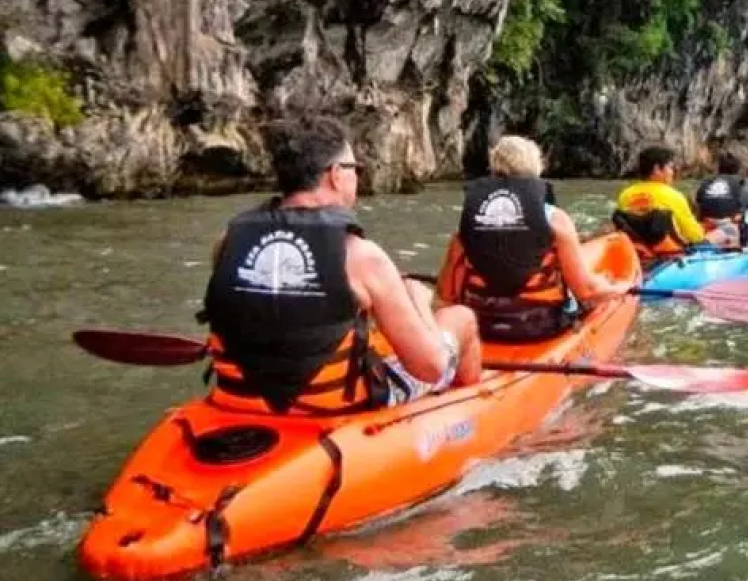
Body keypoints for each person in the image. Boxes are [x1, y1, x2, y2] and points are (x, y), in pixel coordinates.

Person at [201, 116, 482, 415]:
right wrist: (417, 302)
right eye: (354, 169)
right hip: (326, 409)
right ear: (336, 174)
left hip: (237, 403)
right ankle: (474, 412)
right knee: (461, 318)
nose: (357, 177)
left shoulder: (229, 240)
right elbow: (430, 368)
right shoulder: (362, 256)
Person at [436, 135, 636, 342]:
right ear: (536, 168)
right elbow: (586, 291)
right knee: (597, 298)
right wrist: (619, 288)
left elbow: (446, 294)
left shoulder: (470, 220)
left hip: (481, 326)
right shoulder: (555, 219)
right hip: (540, 327)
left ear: (494, 168)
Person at [613, 144, 733, 260]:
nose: (672, 172)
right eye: (670, 167)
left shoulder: (625, 195)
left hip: (640, 250)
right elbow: (695, 236)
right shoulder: (673, 196)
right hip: (672, 253)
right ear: (657, 169)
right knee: (727, 230)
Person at [692, 150, 748, 245]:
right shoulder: (743, 189)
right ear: (737, 170)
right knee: (747, 222)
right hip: (727, 230)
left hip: (703, 228)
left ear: (718, 169)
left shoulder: (705, 184)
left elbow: (697, 210)